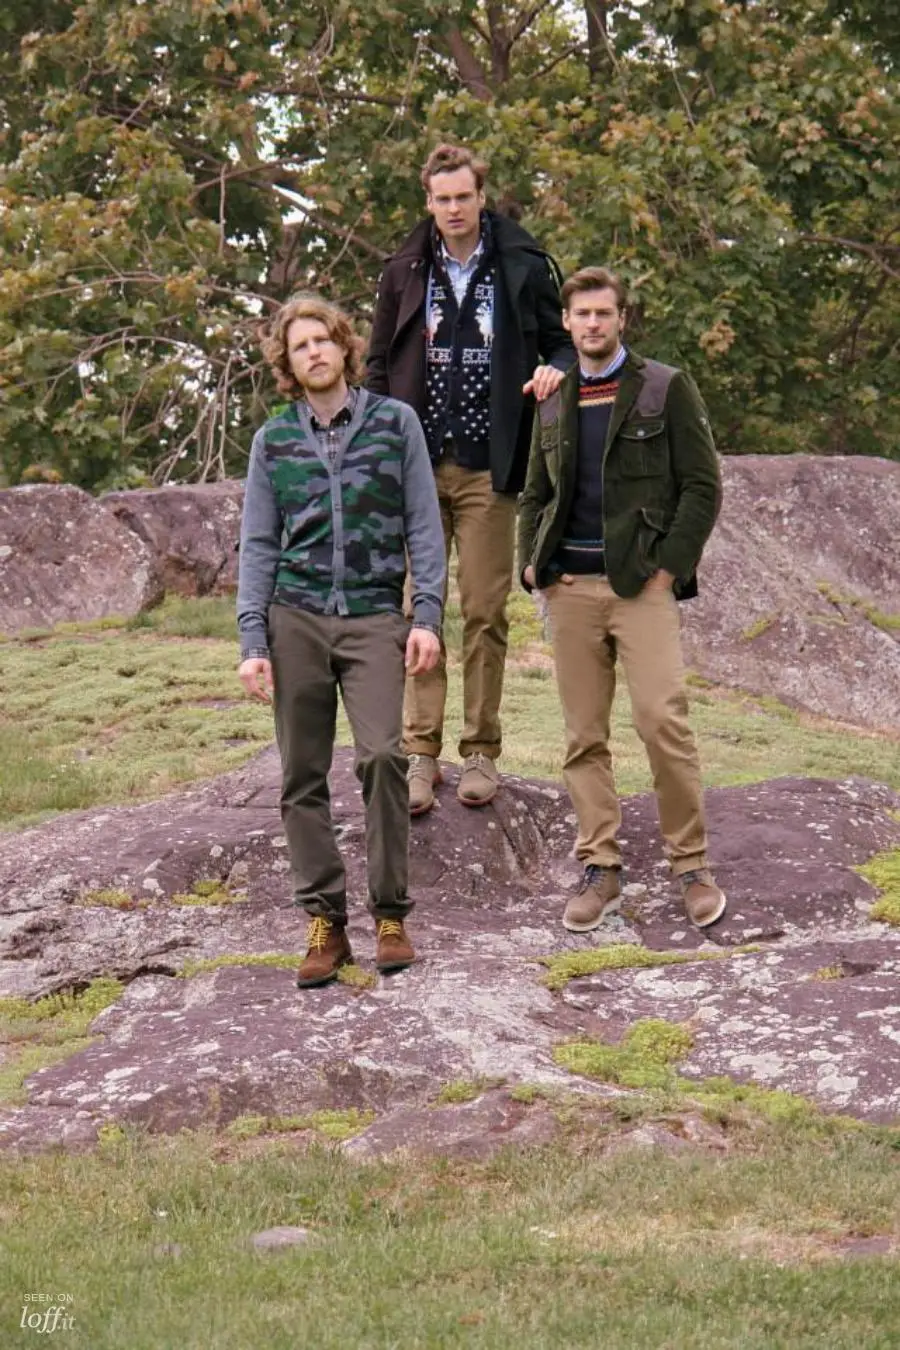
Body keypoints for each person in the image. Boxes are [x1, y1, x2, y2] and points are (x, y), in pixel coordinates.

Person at [237, 294, 444, 987]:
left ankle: (390, 915)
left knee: (384, 756)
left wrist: (427, 616)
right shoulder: (273, 441)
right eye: (300, 346)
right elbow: (258, 544)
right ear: (288, 364)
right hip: (293, 617)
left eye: (323, 339)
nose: (315, 352)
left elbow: (424, 525)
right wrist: (252, 640)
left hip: (374, 616)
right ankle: (324, 922)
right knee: (302, 773)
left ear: (345, 347)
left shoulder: (395, 424)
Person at [366, 142, 574, 815]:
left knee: (485, 610)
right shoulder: (404, 271)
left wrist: (555, 370)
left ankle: (481, 750)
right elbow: (376, 363)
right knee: (416, 609)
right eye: (443, 198)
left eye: (464, 197)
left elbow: (562, 342)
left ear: (481, 197)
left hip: (491, 465)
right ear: (428, 201)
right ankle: (419, 753)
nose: (454, 208)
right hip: (417, 467)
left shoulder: (522, 264)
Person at [518, 266, 726, 931]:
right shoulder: (553, 396)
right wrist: (532, 566)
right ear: (567, 322)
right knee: (583, 736)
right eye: (581, 314)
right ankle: (600, 868)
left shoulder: (664, 387)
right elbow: (535, 492)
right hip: (570, 591)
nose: (592, 323)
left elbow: (703, 486)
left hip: (641, 589)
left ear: (622, 319)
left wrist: (668, 570)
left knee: (663, 722)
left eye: (603, 313)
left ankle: (691, 865)